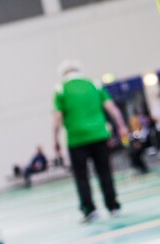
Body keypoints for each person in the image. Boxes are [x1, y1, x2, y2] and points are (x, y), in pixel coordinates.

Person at [53, 60, 128, 223]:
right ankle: (113, 206)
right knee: (105, 172)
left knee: (81, 177)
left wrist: (56, 140)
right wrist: (121, 126)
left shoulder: (61, 89)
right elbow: (111, 108)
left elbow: (57, 118)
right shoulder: (94, 84)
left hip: (76, 139)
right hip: (99, 135)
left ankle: (89, 210)